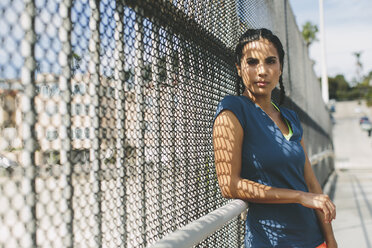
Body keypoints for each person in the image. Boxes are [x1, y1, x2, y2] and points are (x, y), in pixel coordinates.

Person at [212, 28, 337, 248]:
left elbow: (311, 183)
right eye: (252, 62)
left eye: (270, 61)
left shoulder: (290, 117)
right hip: (270, 242)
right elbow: (229, 185)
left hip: (314, 239)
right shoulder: (233, 110)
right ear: (239, 69)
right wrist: (299, 196)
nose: (262, 71)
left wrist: (331, 239)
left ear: (280, 69)